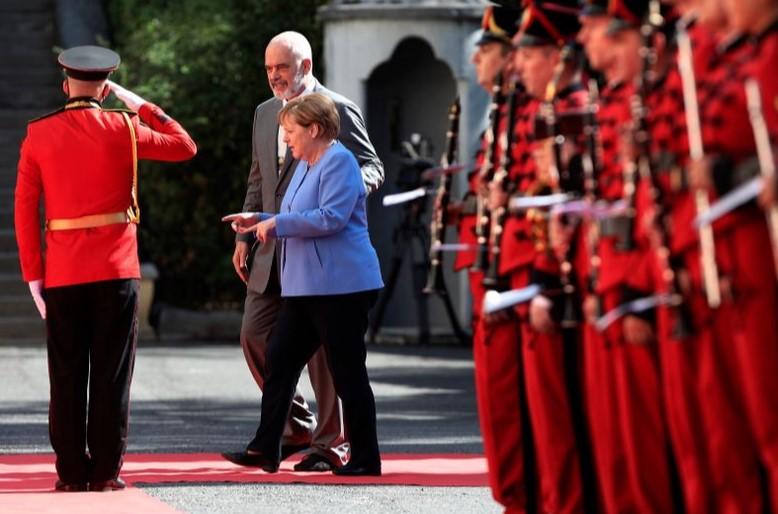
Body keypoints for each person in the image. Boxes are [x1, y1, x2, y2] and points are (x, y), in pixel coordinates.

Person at [14, 45, 196, 492]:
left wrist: (33, 274)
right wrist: (137, 102)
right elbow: (185, 145)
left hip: (62, 271)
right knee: (112, 374)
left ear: (65, 84)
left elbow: (23, 209)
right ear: (105, 85)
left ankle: (71, 472)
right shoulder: (126, 127)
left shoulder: (38, 134)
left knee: (67, 374)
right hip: (116, 270)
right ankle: (105, 473)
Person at [230, 31, 383, 472]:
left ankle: (333, 445)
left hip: (331, 272)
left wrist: (350, 189)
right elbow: (261, 181)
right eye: (269, 68)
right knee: (263, 345)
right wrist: (249, 229)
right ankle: (283, 435)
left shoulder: (334, 127)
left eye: (282, 67)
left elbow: (367, 168)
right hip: (280, 256)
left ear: (306, 66)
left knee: (336, 366)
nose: (274, 76)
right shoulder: (267, 116)